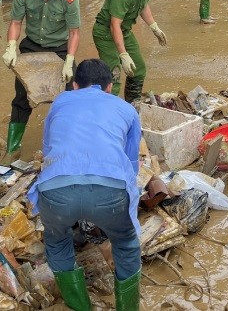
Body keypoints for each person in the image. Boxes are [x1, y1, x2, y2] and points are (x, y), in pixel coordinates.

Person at [27, 59, 141, 311]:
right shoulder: (126, 108)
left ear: (75, 85)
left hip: (55, 191)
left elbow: (48, 153)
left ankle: (80, 307)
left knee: (57, 241)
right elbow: (131, 165)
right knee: (125, 241)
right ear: (109, 87)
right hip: (110, 191)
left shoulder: (60, 102)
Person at [1, 0, 80, 159]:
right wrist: (10, 46)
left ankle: (69, 146)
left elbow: (74, 33)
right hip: (32, 47)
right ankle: (13, 148)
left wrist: (69, 61)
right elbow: (16, 23)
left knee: (72, 95)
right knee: (21, 97)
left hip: (61, 49)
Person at [92, 0, 167, 102]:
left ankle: (132, 105)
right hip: (106, 33)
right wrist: (123, 54)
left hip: (124, 31)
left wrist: (154, 26)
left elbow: (143, 5)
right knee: (113, 76)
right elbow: (114, 25)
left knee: (138, 69)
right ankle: (108, 112)